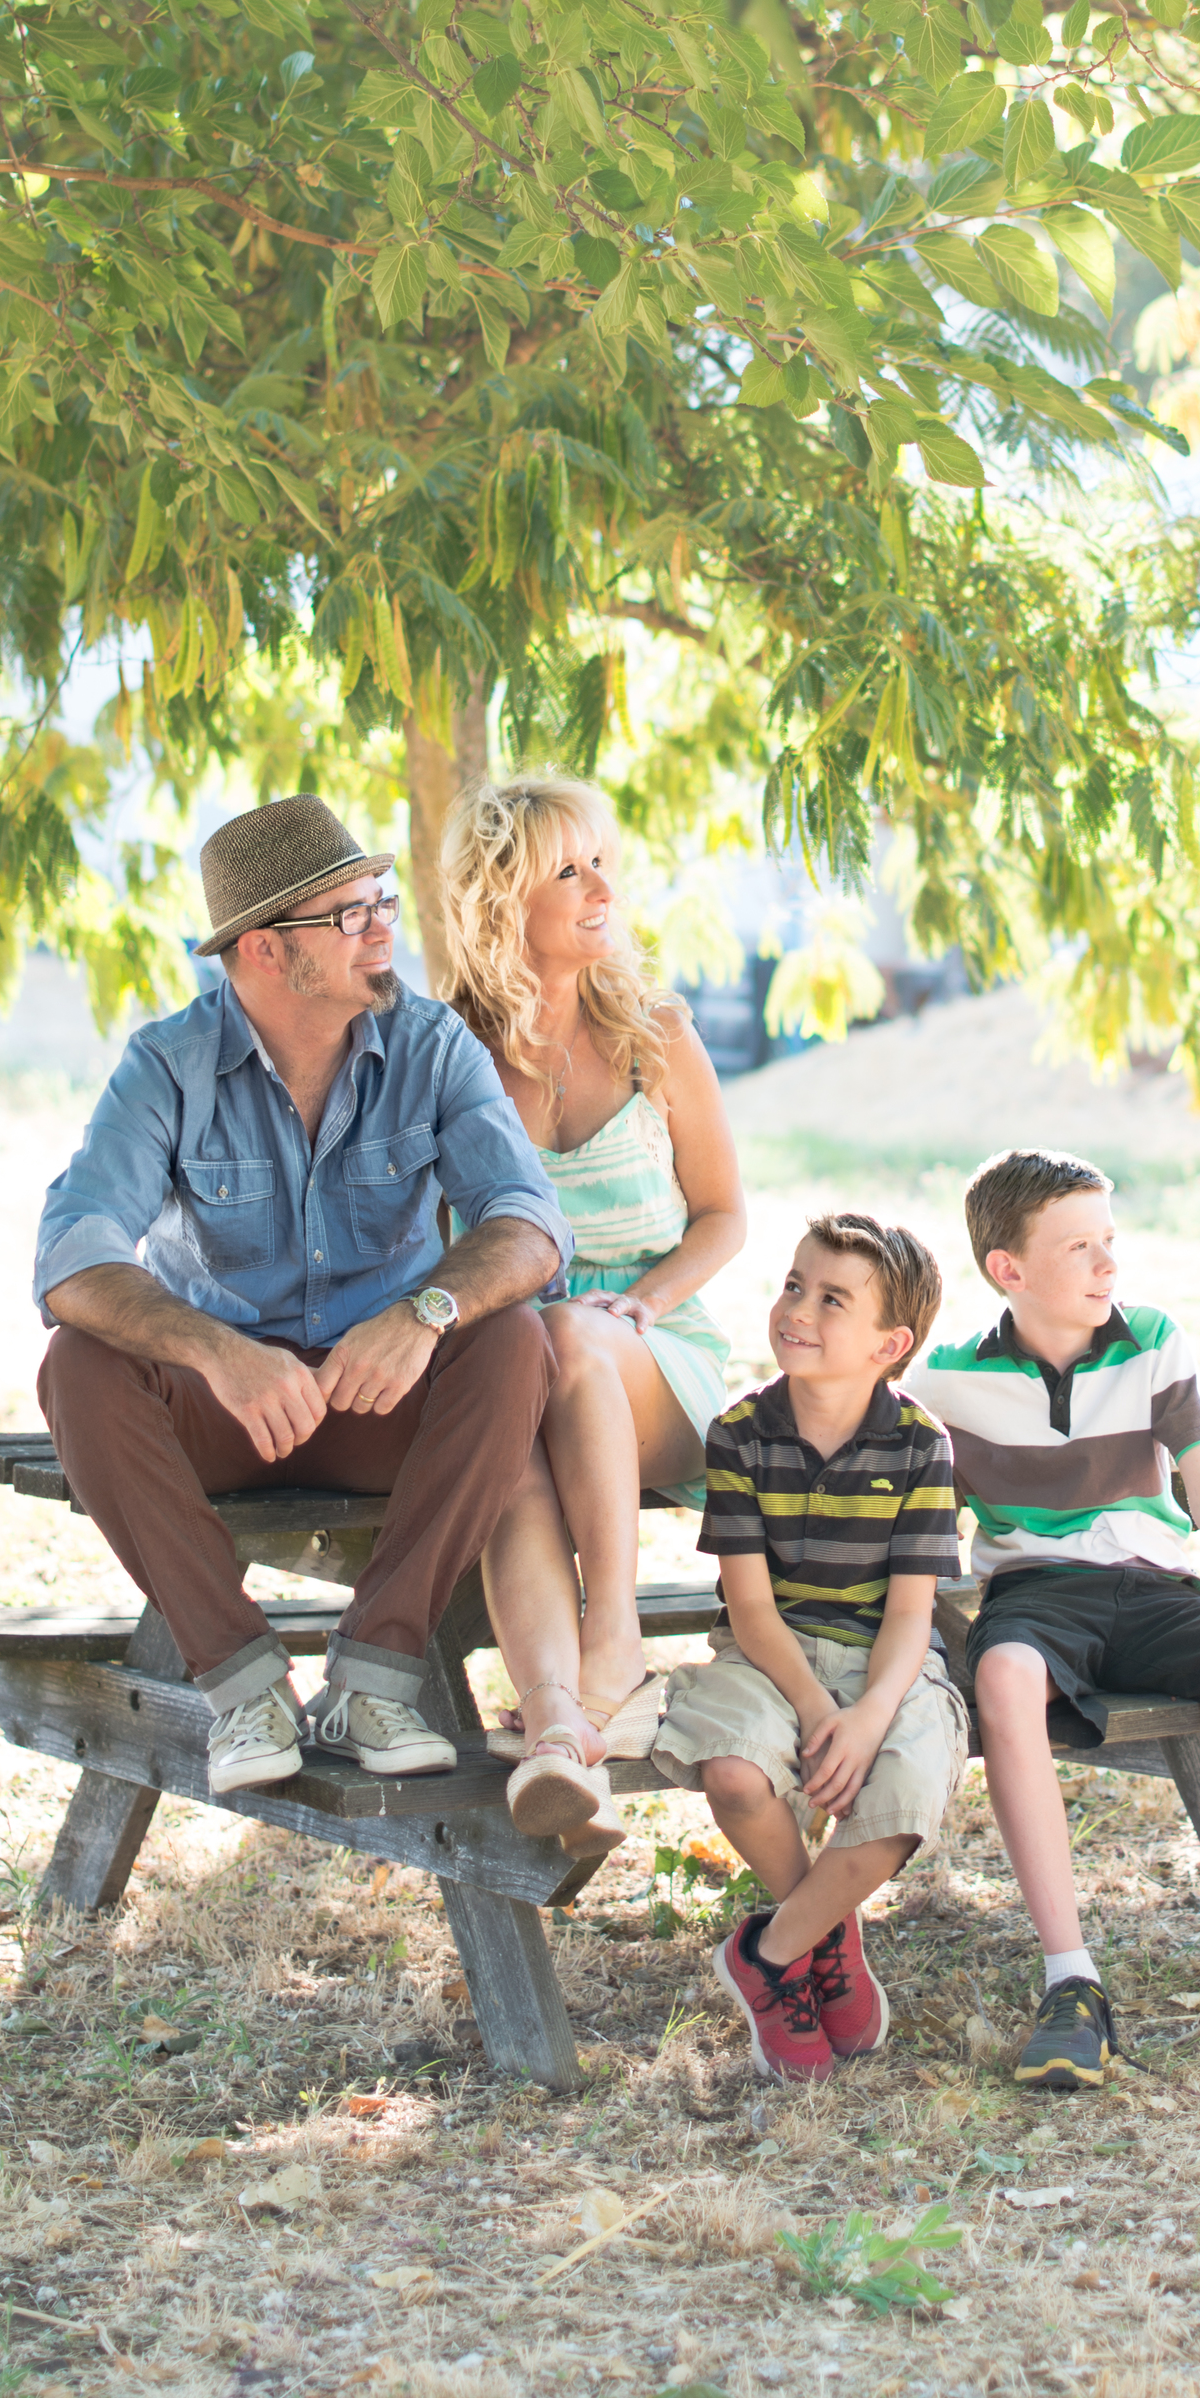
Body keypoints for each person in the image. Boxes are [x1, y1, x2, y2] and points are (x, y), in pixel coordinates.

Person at [32, 796, 570, 1802]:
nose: (383, 929)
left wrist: (425, 1313)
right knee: (78, 1364)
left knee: (514, 1342)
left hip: (382, 1399)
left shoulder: (432, 1044)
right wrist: (216, 1351)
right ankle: (243, 1685)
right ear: (268, 951)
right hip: (228, 1414)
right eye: (352, 913)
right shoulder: (166, 1064)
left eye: (383, 903)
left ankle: (374, 1676)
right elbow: (75, 1252)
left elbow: (529, 1223)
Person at [917, 1147, 1200, 2092]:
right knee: (1001, 1675)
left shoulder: (1151, 1338)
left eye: (1108, 1242)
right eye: (1078, 1247)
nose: (1107, 1266)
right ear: (1009, 1270)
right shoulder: (950, 1378)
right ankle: (1071, 1986)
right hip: (1038, 1598)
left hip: (1160, 1591)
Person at [440, 772, 744, 1845]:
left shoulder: (655, 1029)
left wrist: (643, 1304)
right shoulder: (448, 1052)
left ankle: (614, 1639)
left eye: (602, 859)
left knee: (570, 1335)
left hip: (657, 1363)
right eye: (566, 870)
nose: (599, 885)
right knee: (506, 1440)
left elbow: (721, 1215)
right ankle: (561, 1734)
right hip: (516, 1361)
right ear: (499, 900)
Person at [648, 1216, 965, 2080]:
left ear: (889, 1345)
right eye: (795, 1285)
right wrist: (817, 1706)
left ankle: (769, 1953)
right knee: (736, 1773)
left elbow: (910, 1616)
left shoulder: (919, 1446)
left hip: (882, 1663)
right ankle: (825, 1933)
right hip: (768, 1654)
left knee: (900, 1796)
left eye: (832, 1299)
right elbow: (750, 1609)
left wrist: (865, 1718)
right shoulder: (740, 1435)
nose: (799, 1309)